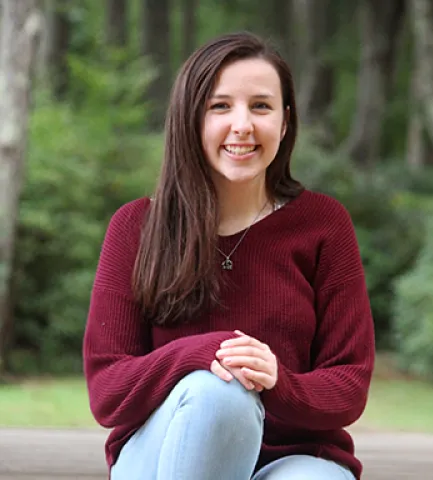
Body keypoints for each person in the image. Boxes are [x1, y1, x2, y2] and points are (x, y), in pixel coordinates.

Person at [83, 31, 375, 480]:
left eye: (261, 106)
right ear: (190, 118)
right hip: (165, 455)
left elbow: (349, 384)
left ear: (285, 120)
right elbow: (108, 391)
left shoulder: (323, 224)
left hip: (296, 456)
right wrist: (199, 354)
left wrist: (278, 379)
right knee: (221, 391)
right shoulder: (136, 227)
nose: (242, 125)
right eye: (220, 106)